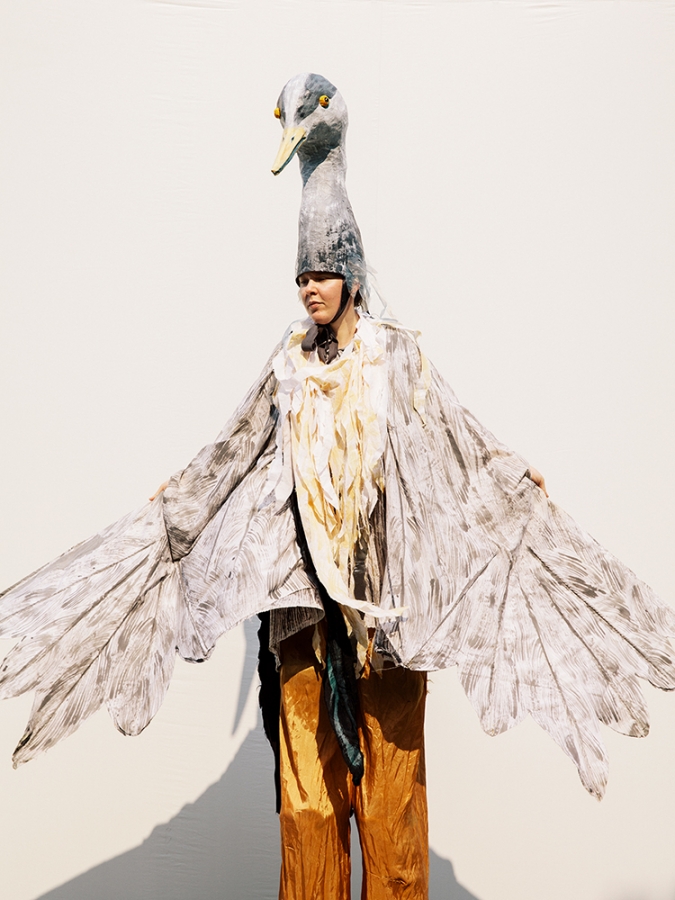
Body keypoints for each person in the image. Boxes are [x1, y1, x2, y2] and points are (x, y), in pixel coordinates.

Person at [1, 73, 674, 900]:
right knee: (308, 804)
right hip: (299, 616)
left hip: (384, 617)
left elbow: (455, 435)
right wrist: (174, 505)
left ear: (349, 272)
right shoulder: (289, 364)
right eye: (301, 276)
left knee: (390, 804)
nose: (310, 287)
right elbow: (232, 449)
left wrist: (510, 475)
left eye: (322, 271)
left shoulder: (395, 357)